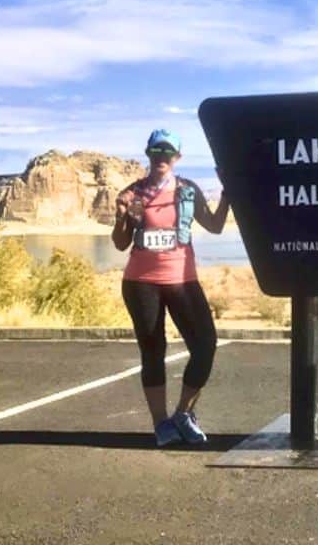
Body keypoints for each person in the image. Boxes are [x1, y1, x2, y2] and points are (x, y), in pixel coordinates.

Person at [112, 129, 230, 447]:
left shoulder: (187, 192)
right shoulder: (135, 195)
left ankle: (183, 413)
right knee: (153, 352)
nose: (161, 157)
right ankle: (160, 423)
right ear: (148, 154)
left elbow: (216, 226)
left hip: (182, 280)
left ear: (177, 158)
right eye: (156, 151)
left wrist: (228, 193)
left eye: (168, 152)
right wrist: (121, 217)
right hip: (141, 283)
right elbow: (122, 243)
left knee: (205, 345)